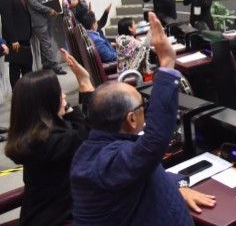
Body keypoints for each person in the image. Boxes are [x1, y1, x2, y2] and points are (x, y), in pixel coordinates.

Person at [70, 13, 216, 225]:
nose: (145, 112)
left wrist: (177, 187)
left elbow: (141, 172)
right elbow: (153, 144)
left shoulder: (95, 147)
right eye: (143, 107)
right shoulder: (106, 163)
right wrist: (166, 64)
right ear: (131, 119)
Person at [5, 50, 93, 226]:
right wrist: (85, 83)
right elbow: (92, 136)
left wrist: (65, 107)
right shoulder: (52, 142)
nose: (64, 95)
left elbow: (79, 131)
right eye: (59, 93)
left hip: (36, 215)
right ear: (46, 102)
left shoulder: (32, 135)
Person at [23, 0, 65, 74]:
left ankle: (46, 65)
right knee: (47, 44)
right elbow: (34, 4)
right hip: (38, 22)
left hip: (46, 20)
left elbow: (45, 3)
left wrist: (55, 6)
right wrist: (49, 9)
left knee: (45, 44)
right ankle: (55, 66)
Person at [0, 0, 34, 86]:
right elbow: (7, 20)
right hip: (16, 42)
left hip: (24, 39)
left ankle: (28, 93)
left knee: (27, 69)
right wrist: (13, 39)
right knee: (15, 69)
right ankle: (17, 96)